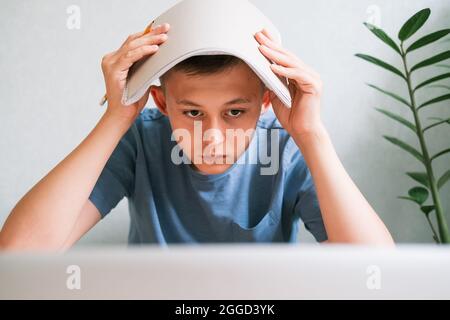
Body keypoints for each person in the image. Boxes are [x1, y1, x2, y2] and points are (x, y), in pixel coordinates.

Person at [0, 23, 394, 250]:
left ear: (267, 101)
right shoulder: (140, 140)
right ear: (160, 101)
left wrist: (313, 136)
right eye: (192, 113)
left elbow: (375, 275)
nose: (214, 138)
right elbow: (19, 253)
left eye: (235, 112)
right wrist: (115, 119)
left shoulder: (290, 145)